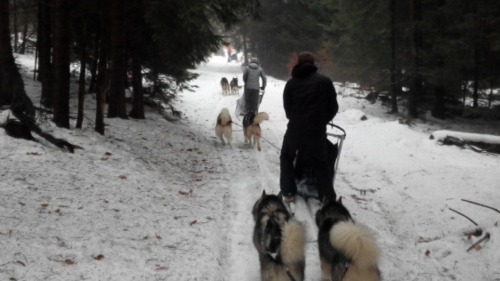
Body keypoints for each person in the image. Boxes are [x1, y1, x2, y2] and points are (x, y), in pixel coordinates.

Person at [280, 52, 339, 204]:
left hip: (295, 130)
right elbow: (333, 107)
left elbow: (288, 110)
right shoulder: (325, 82)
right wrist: (322, 121)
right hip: (316, 131)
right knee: (322, 163)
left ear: (297, 64)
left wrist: (297, 120)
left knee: (287, 157)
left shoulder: (291, 84)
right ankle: (326, 197)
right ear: (313, 64)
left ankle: (288, 192)